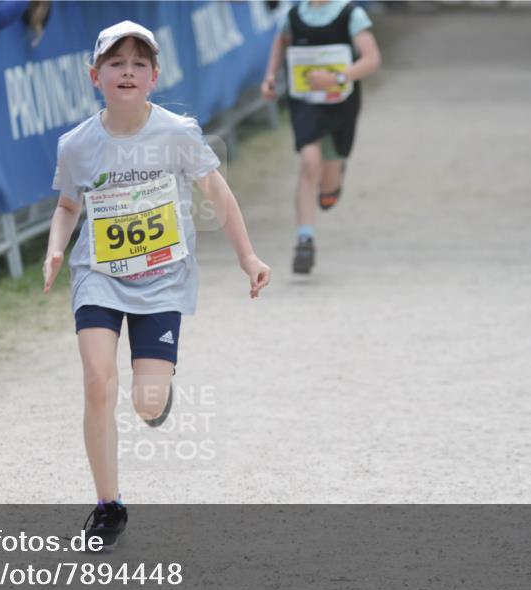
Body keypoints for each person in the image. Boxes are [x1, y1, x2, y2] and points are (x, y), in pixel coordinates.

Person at [43, 21, 271, 548]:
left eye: (139, 63)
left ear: (154, 76)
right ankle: (108, 506)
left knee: (146, 402)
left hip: (163, 279)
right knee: (99, 381)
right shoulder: (77, 144)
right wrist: (58, 246)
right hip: (98, 274)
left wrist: (248, 256)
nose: (128, 71)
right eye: (117, 63)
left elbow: (218, 194)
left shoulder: (177, 133)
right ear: (95, 74)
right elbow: (67, 205)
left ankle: (157, 396)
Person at [261, 0, 380, 274]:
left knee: (327, 183)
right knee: (309, 162)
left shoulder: (350, 13)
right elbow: (281, 42)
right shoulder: (294, 14)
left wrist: (338, 77)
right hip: (305, 100)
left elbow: (372, 59)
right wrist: (270, 76)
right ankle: (305, 240)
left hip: (341, 101)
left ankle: (334, 178)